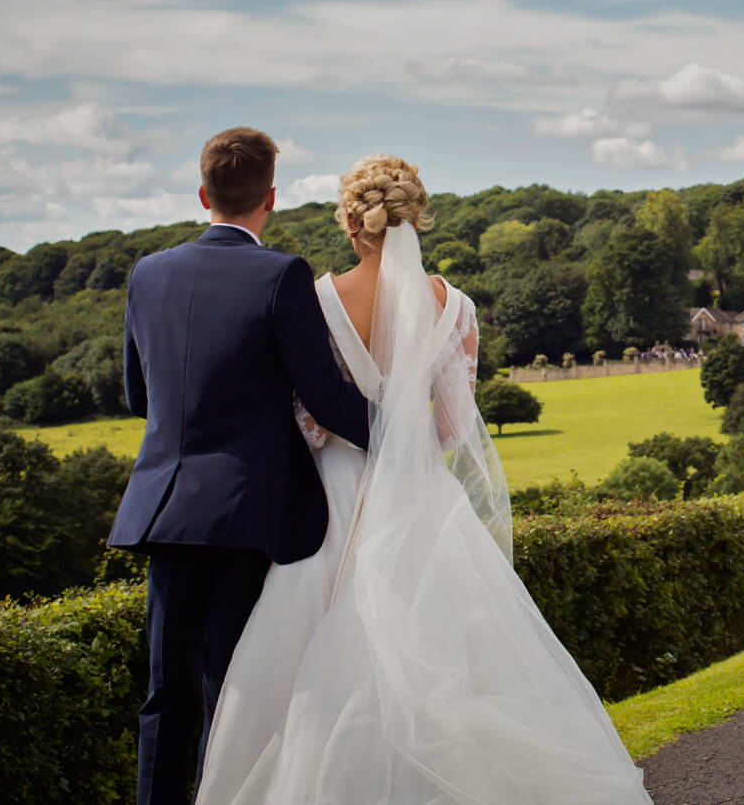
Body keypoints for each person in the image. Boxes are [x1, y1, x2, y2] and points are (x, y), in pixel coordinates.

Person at [195, 154, 650, 805]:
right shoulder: (455, 306)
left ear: (352, 221)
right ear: (416, 218)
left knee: (311, 656)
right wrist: (401, 426)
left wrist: (347, 428)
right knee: (451, 655)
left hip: (336, 495)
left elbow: (312, 423)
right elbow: (452, 426)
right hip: (423, 497)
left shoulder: (317, 299)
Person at [109, 128, 374, 805]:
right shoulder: (281, 273)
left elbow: (140, 396)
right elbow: (326, 396)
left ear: (203, 194)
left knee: (165, 692)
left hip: (165, 508)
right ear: (271, 199)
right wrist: (400, 434)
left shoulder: (149, 272)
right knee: (233, 687)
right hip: (248, 510)